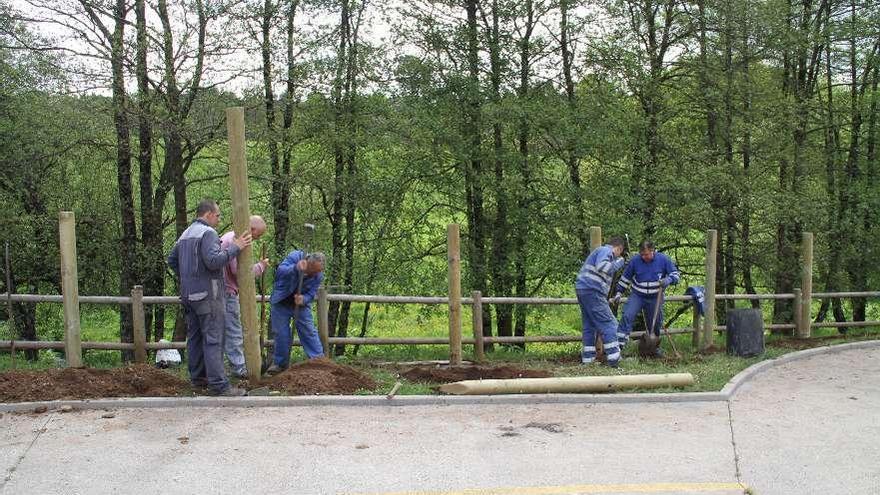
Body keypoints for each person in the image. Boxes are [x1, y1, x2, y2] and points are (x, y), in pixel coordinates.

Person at [167, 199, 252, 396]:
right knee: (214, 339)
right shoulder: (208, 233)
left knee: (195, 338)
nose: (219, 219)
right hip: (209, 295)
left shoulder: (185, 234)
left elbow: (172, 260)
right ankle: (219, 385)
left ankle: (198, 380)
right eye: (218, 215)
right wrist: (236, 247)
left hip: (189, 295)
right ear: (208, 214)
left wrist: (190, 277)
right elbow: (214, 261)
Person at [219, 215, 270, 378]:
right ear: (252, 229)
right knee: (234, 330)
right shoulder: (235, 240)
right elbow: (240, 271)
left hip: (221, 290)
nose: (257, 238)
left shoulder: (227, 237)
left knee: (222, 331)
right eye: (258, 235)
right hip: (227, 292)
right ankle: (239, 369)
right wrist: (260, 266)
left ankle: (224, 367)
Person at [611, 240, 680, 357]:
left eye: (646, 254)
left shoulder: (663, 259)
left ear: (653, 251)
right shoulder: (635, 261)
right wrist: (618, 292)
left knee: (656, 322)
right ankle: (618, 349)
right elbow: (625, 279)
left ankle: (653, 349)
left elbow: (676, 275)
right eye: (642, 254)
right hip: (637, 295)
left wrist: (668, 280)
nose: (644, 257)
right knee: (627, 315)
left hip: (655, 297)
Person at [265, 250, 326, 375]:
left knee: (308, 331)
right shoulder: (296, 256)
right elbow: (280, 272)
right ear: (309, 263)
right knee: (281, 334)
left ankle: (319, 361)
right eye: (312, 270)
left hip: (300, 305)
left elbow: (311, 293)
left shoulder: (318, 275)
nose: (314, 274)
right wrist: (295, 267)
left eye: (317, 272)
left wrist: (304, 299)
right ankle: (280, 365)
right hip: (281, 300)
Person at [575, 236, 627, 367]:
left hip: (584, 289)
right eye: (620, 253)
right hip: (593, 290)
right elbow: (603, 267)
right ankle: (614, 357)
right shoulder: (606, 251)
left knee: (589, 325)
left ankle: (588, 359)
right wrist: (619, 263)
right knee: (609, 322)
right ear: (619, 248)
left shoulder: (600, 251)